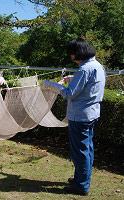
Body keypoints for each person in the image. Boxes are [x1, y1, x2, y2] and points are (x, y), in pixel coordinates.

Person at [43, 38, 106, 196]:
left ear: (78, 52)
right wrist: (73, 78)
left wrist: (51, 84)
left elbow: (69, 93)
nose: (71, 56)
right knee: (87, 148)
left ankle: (81, 186)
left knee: (80, 151)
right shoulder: (97, 66)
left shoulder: (84, 69)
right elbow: (87, 84)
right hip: (91, 113)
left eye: (72, 53)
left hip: (80, 115)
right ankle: (82, 178)